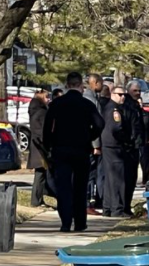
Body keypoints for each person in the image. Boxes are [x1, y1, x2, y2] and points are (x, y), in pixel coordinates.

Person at [43, 72, 105, 232]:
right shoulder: (86, 104)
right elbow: (100, 123)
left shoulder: (57, 104)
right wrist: (90, 137)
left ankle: (65, 222)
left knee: (63, 187)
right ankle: (79, 222)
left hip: (60, 149)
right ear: (80, 86)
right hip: (81, 149)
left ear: (67, 85)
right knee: (80, 187)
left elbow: (47, 126)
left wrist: (48, 145)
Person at [101, 86, 133, 217]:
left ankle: (108, 208)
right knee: (117, 179)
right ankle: (117, 209)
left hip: (108, 146)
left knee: (110, 179)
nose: (123, 97)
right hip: (114, 146)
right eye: (120, 94)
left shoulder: (109, 107)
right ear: (113, 94)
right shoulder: (114, 110)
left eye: (124, 95)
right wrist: (126, 140)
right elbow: (116, 129)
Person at [122, 80, 144, 214]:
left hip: (136, 146)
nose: (138, 93)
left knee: (132, 178)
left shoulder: (136, 105)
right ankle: (124, 205)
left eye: (139, 91)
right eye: (135, 90)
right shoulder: (126, 105)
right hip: (129, 146)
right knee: (127, 178)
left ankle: (127, 204)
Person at [83, 74, 104, 215]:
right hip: (90, 144)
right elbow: (93, 124)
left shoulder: (93, 98)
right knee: (89, 176)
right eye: (101, 83)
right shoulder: (90, 99)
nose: (102, 86)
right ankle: (87, 204)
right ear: (95, 83)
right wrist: (96, 145)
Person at [27, 90, 50, 207]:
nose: (49, 99)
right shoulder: (40, 112)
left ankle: (39, 198)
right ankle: (35, 200)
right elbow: (40, 131)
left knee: (41, 174)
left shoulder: (36, 110)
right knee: (40, 174)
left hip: (38, 147)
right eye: (47, 97)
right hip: (40, 148)